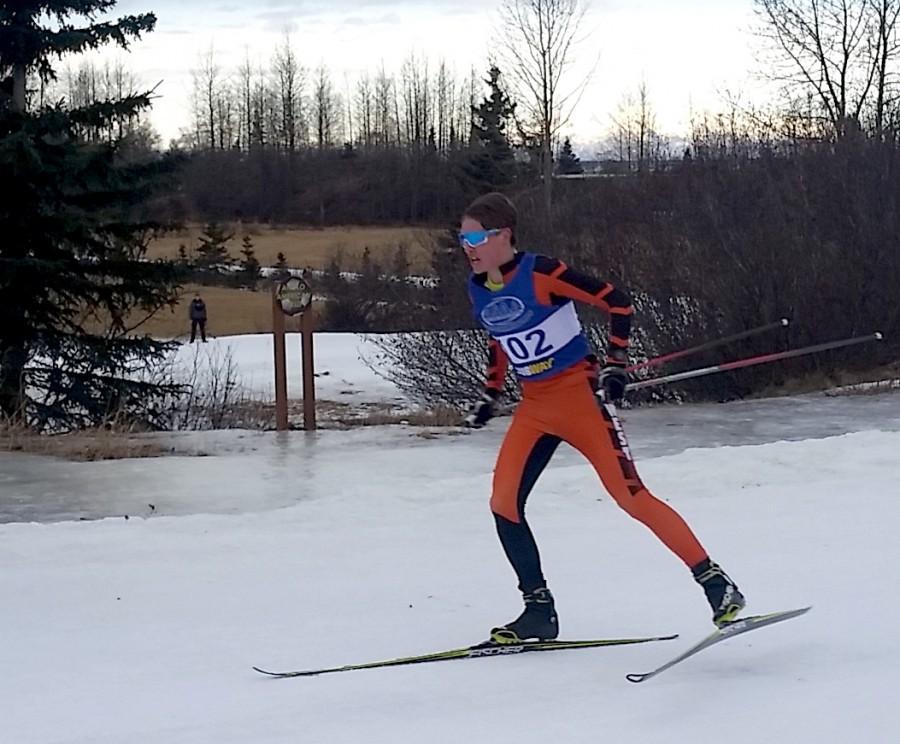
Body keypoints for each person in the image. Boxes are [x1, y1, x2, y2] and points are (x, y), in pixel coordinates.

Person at [459, 192, 745, 643]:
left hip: (580, 400)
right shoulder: (478, 289)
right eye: (462, 237)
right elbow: (498, 338)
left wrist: (615, 364)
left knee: (630, 496)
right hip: (535, 408)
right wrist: (491, 394)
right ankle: (538, 613)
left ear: (504, 236)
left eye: (475, 236)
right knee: (503, 504)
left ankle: (717, 586)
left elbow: (618, 302)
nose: (467, 246)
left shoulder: (542, 272)